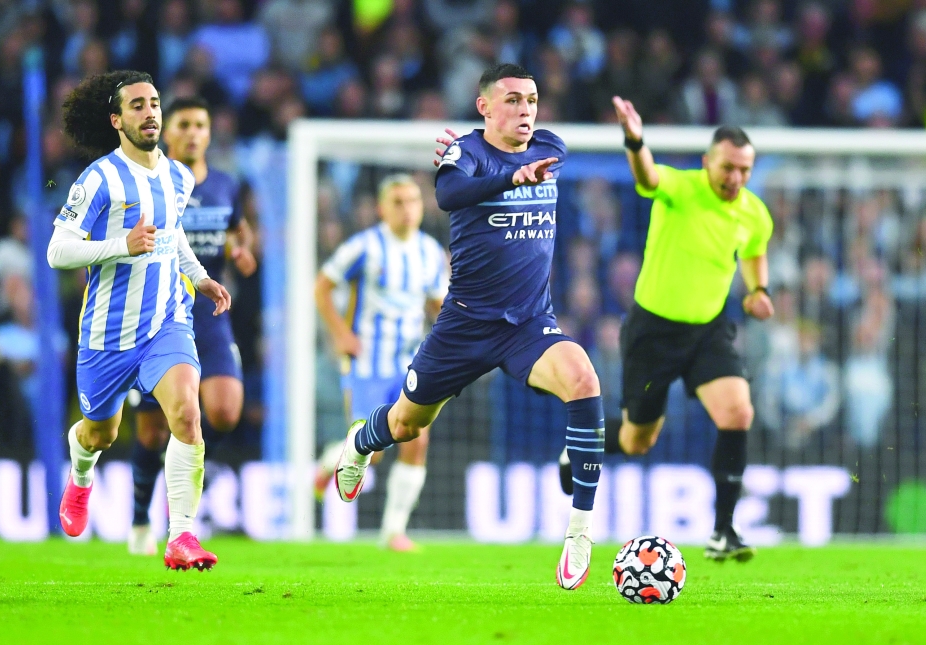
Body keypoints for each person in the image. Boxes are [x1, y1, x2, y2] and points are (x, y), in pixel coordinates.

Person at [332, 63, 606, 590]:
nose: (525, 110)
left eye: (531, 100)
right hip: (463, 325)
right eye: (512, 100)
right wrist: (510, 177)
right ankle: (360, 443)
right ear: (485, 107)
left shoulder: (551, 147)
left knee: (584, 380)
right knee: (406, 426)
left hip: (529, 323)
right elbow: (450, 195)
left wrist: (523, 170)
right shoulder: (466, 154)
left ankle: (579, 532)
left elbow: (532, 156)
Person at [559, 98, 774, 562]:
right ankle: (577, 449)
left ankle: (723, 531)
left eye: (745, 169)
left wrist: (758, 290)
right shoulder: (682, 187)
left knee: (738, 412)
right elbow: (648, 177)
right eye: (728, 167)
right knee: (637, 441)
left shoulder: (755, 213)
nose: (736, 177)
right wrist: (635, 140)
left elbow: (755, 253)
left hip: (709, 331)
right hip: (653, 332)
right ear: (708, 162)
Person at [47, 71, 231, 571]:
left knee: (187, 414)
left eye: (154, 103)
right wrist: (120, 246)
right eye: (137, 106)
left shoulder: (179, 176)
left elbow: (173, 233)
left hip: (167, 322)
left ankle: (182, 536)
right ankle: (80, 474)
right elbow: (57, 251)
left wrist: (200, 276)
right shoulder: (98, 179)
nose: (150, 113)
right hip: (107, 334)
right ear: (116, 120)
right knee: (100, 435)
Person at [126, 96, 257, 557]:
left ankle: (179, 486)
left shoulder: (225, 184)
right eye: (184, 124)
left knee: (225, 411)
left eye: (201, 124)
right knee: (150, 433)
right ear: (168, 130)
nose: (193, 133)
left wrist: (241, 250)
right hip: (157, 314)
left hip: (208, 313)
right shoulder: (149, 183)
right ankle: (139, 517)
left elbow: (239, 229)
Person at [313, 174, 448, 551]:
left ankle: (393, 531)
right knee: (370, 453)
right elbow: (322, 287)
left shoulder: (431, 253)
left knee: (416, 439)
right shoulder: (364, 247)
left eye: (413, 201)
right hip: (367, 364)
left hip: (411, 364)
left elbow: (436, 305)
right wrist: (340, 334)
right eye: (398, 202)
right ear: (381, 209)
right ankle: (328, 464)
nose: (407, 210)